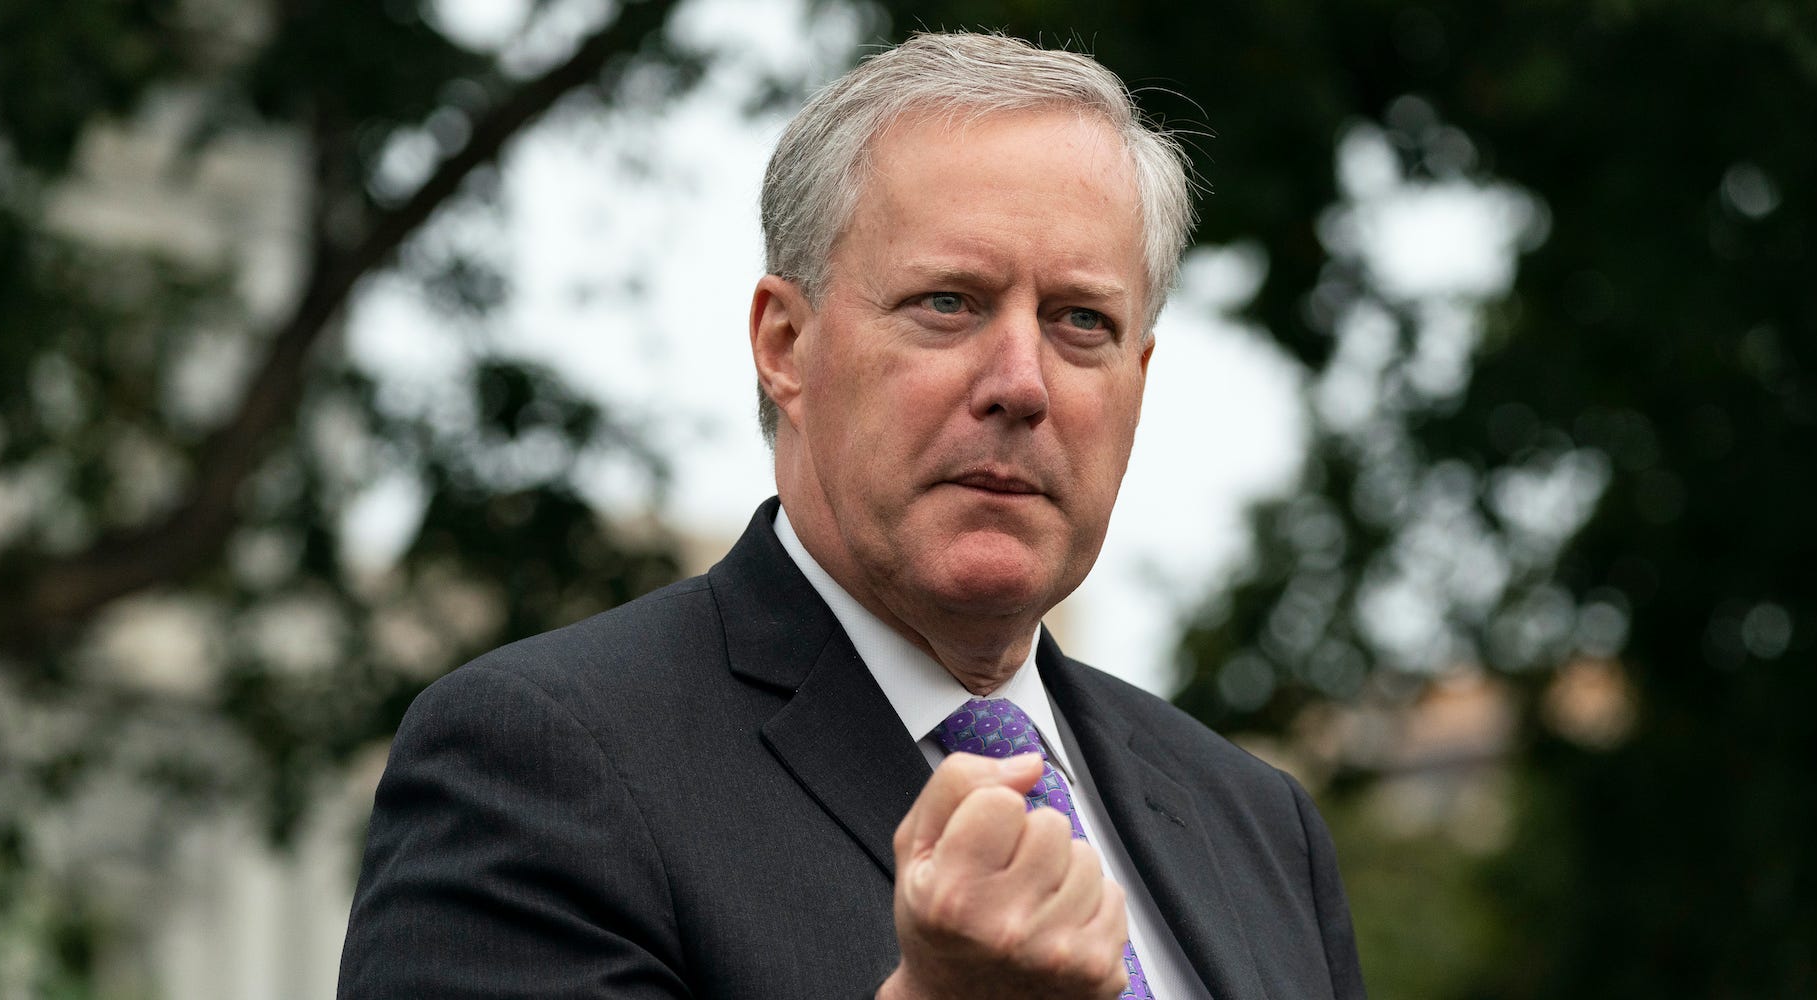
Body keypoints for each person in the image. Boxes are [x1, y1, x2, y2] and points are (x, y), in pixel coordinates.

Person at [338, 32, 1365, 1000]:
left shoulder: (1254, 824)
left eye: (1079, 322)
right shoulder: (538, 764)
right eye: (948, 304)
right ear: (784, 344)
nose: (1021, 382)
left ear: (1137, 379)